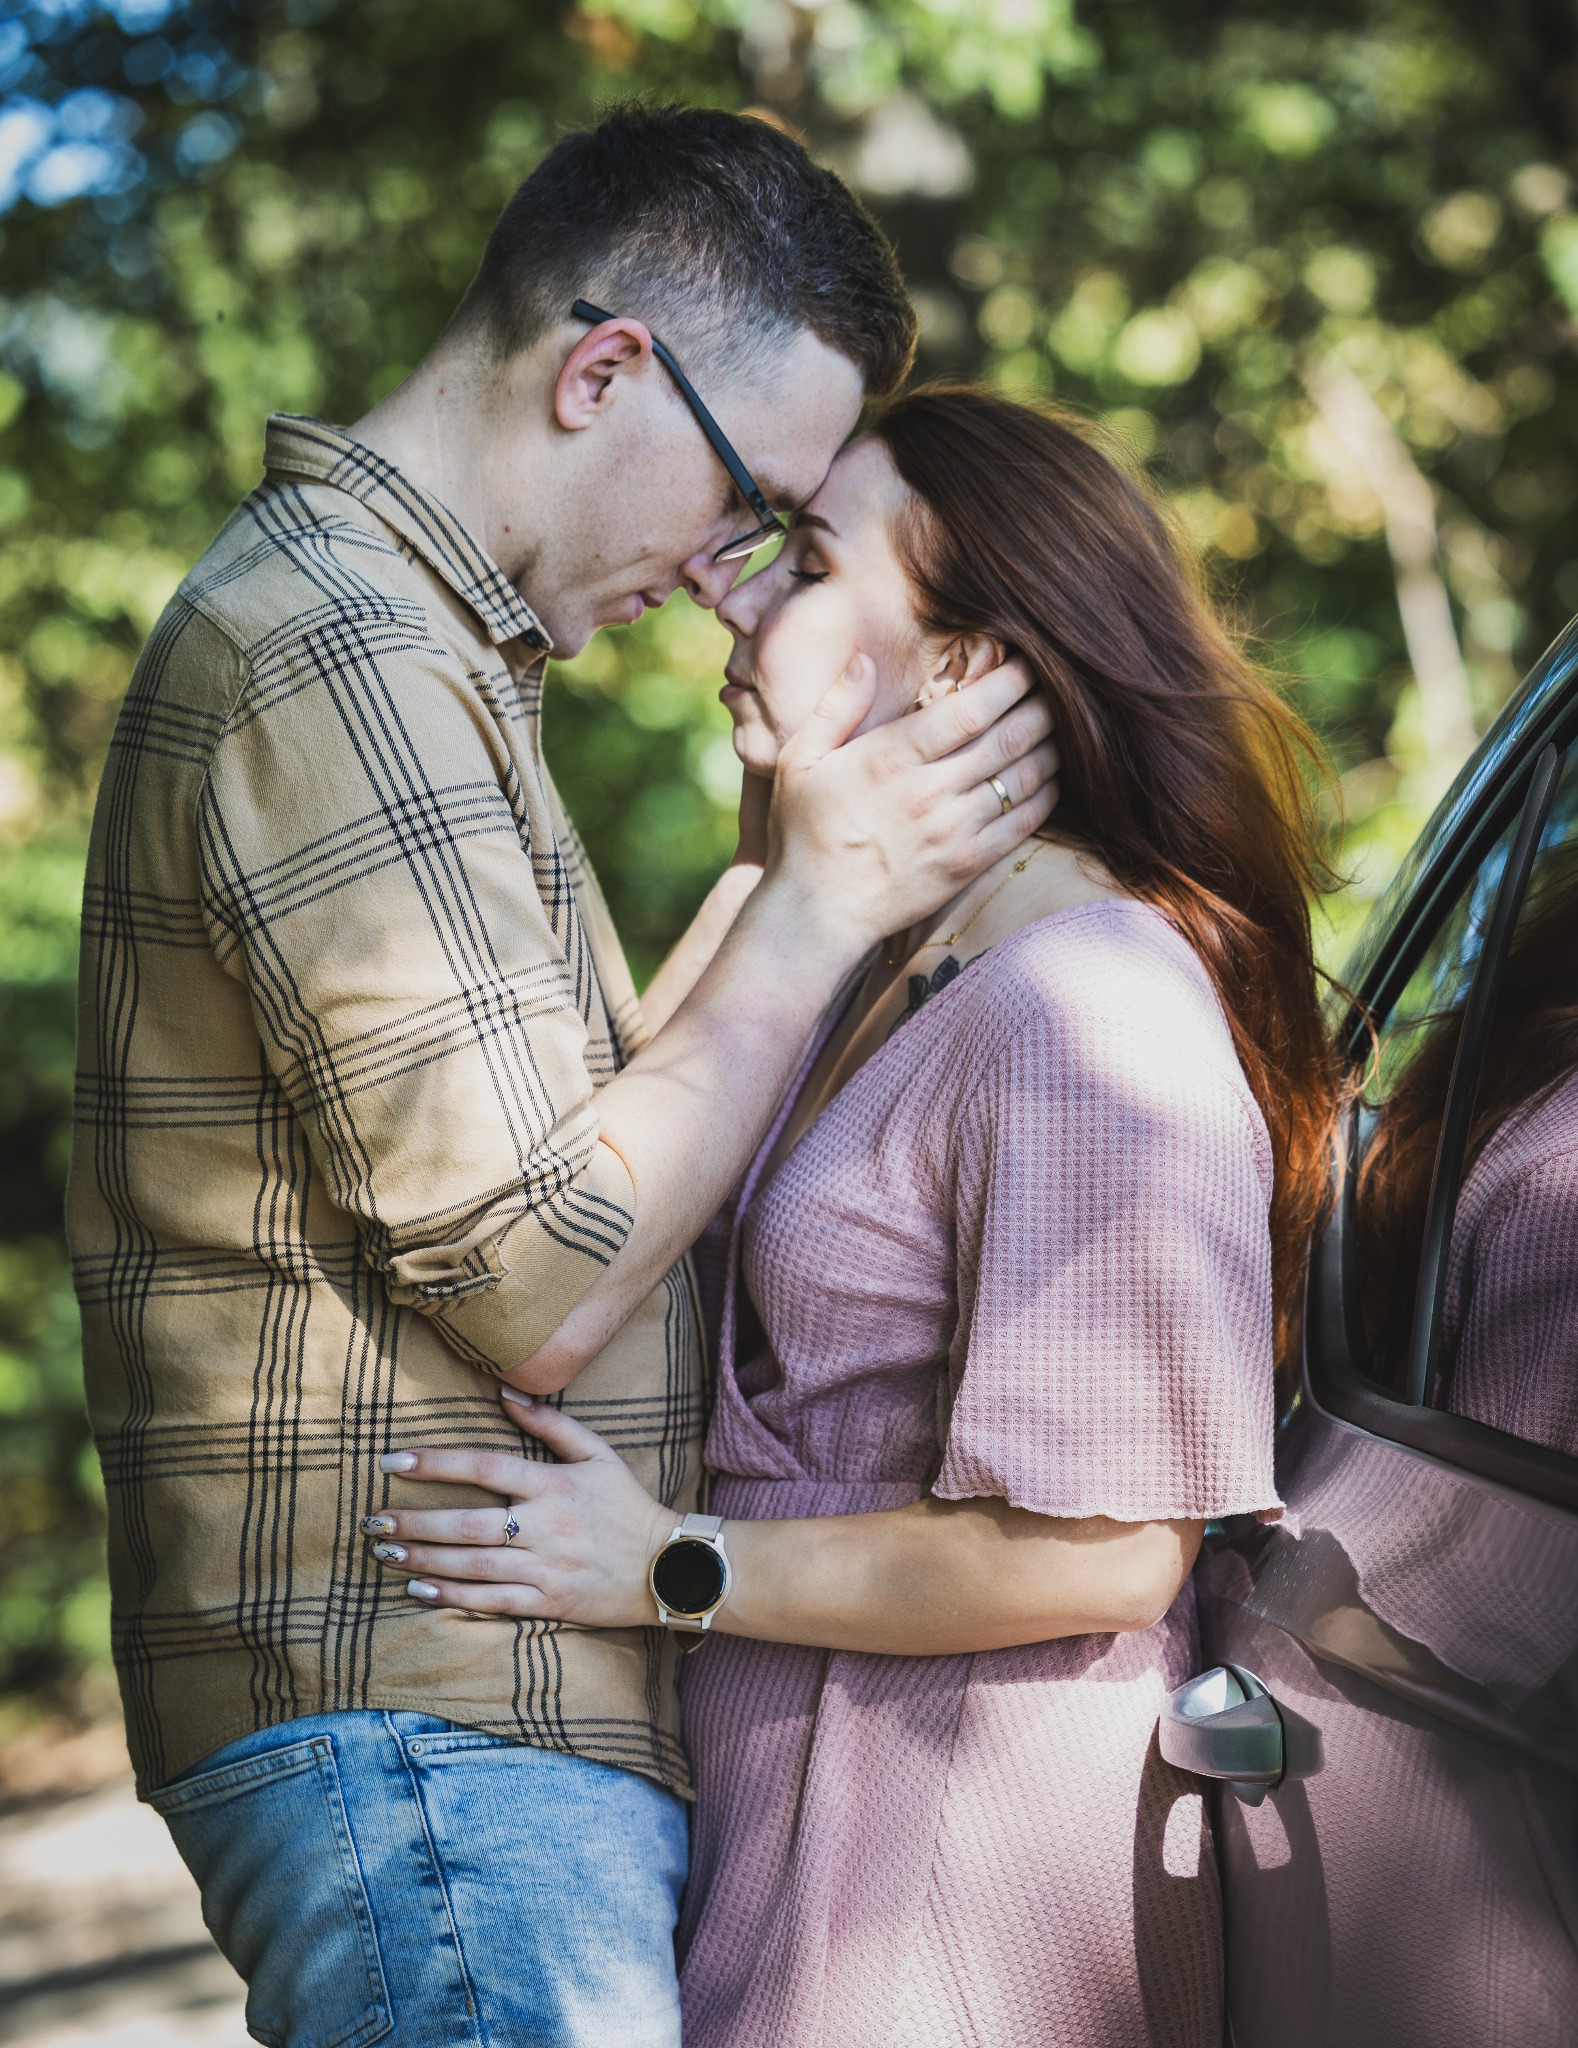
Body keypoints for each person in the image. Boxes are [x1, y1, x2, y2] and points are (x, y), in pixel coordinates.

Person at [65, 111, 1056, 2048]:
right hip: (430, 1721)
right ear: (604, 368)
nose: (721, 574)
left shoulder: (426, 650)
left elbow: (573, 1163)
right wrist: (824, 899)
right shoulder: (341, 648)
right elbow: (530, 1271)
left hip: (466, 1722)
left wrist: (797, 876)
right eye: (744, 494)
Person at [371, 384, 1341, 2046]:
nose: (724, 594)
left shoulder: (1082, 1004)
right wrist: (787, 874)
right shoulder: (867, 953)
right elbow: (593, 1199)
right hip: (790, 1792)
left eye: (805, 563)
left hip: (950, 1854)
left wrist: (666, 1563)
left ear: (966, 664)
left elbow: (1110, 1552)